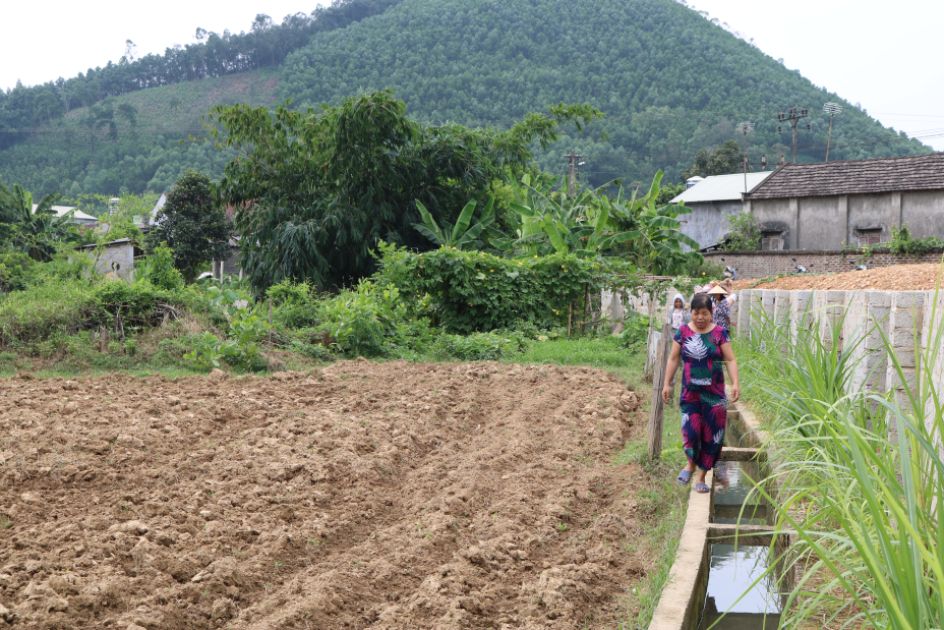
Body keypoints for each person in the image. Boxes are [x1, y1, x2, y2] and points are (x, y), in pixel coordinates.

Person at [661, 293, 740, 493]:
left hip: (715, 396)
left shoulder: (720, 333)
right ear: (691, 313)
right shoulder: (683, 332)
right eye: (696, 313)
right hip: (690, 393)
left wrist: (736, 383)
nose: (700, 318)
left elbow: (730, 359)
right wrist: (667, 383)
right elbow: (673, 359)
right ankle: (689, 464)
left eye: (704, 313)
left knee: (712, 434)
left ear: (711, 313)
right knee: (690, 431)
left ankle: (701, 476)